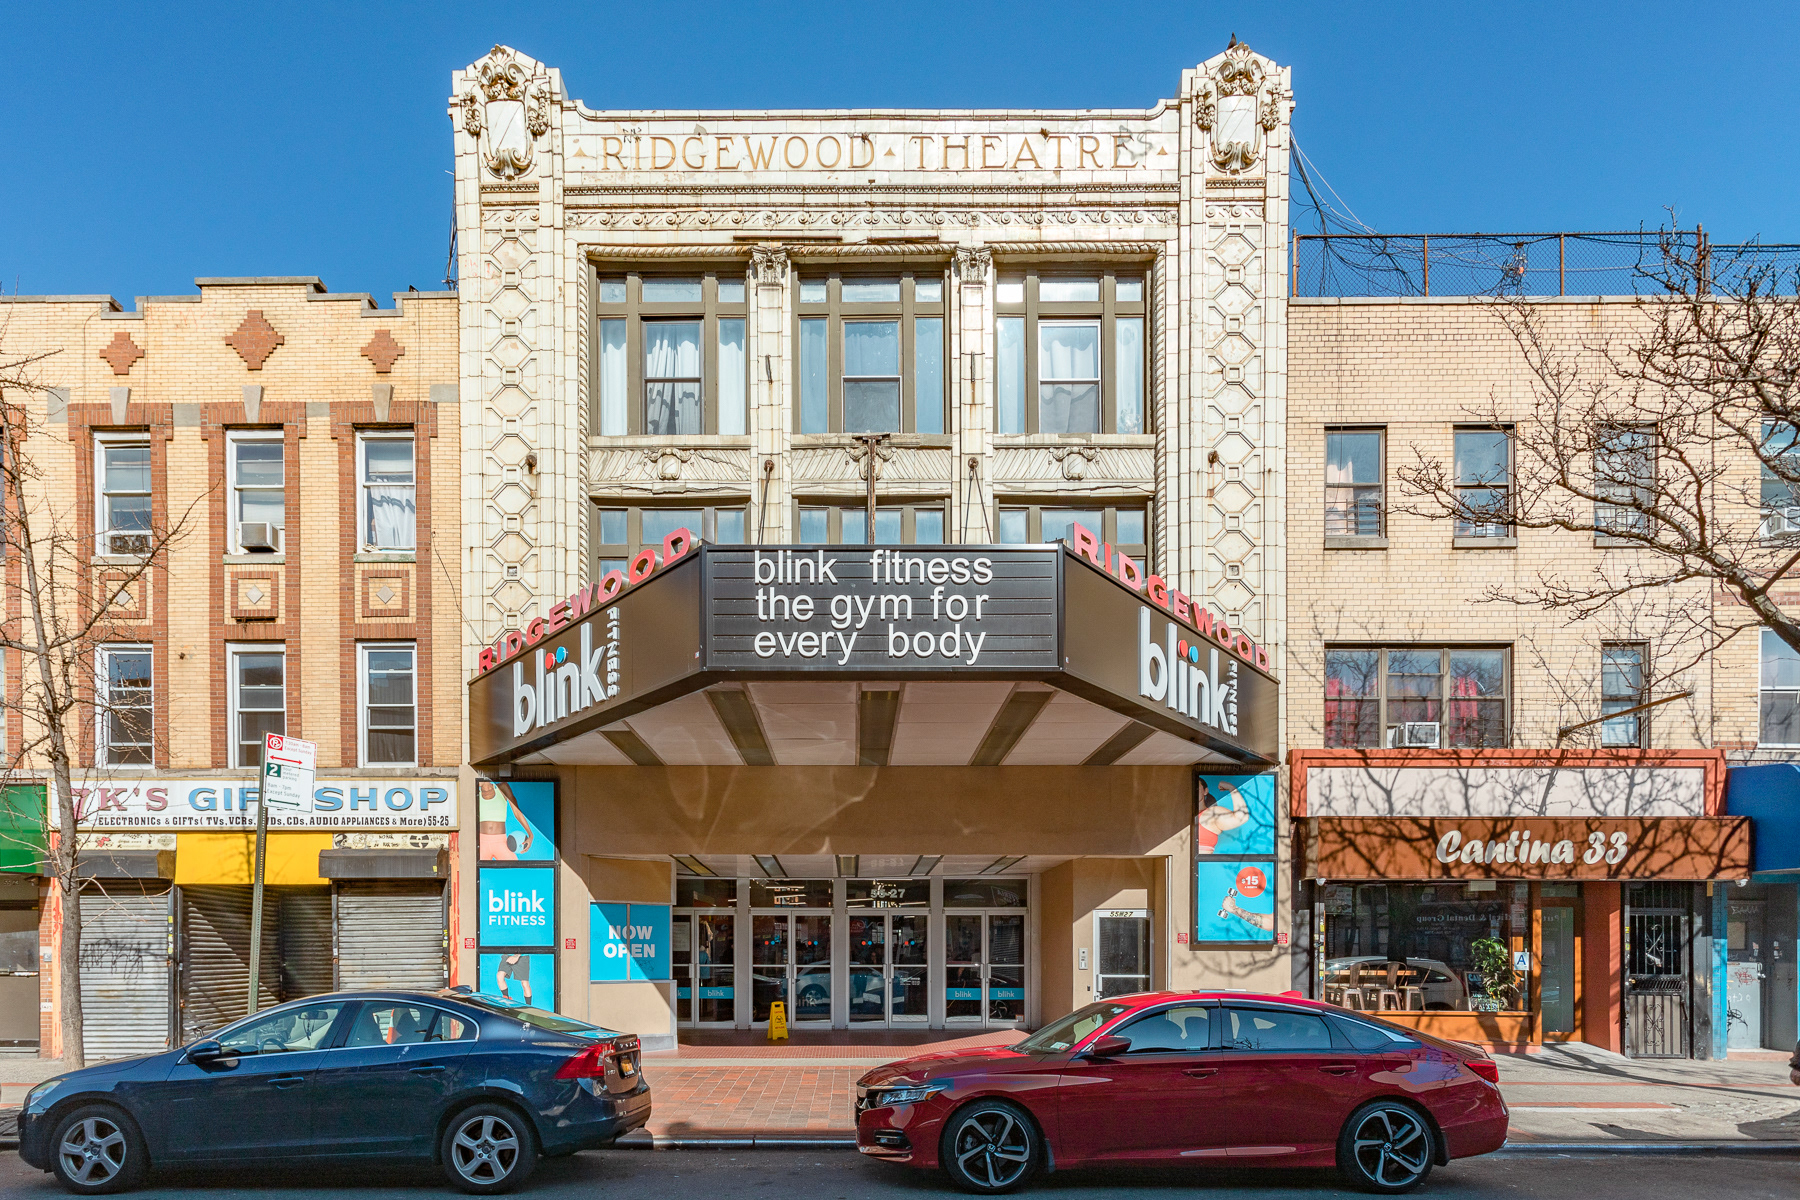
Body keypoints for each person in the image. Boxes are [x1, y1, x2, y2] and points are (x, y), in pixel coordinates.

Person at [478, 779, 535, 861]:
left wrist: (530, 835)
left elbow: (517, 812)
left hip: (501, 842)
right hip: (481, 842)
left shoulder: (502, 788)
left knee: (515, 870)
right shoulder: (474, 791)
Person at [1196, 779, 1254, 854]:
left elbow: (1241, 817)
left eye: (1197, 787)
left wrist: (1232, 789)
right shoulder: (1180, 816)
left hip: (1198, 864)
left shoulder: (1210, 814)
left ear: (1205, 791)